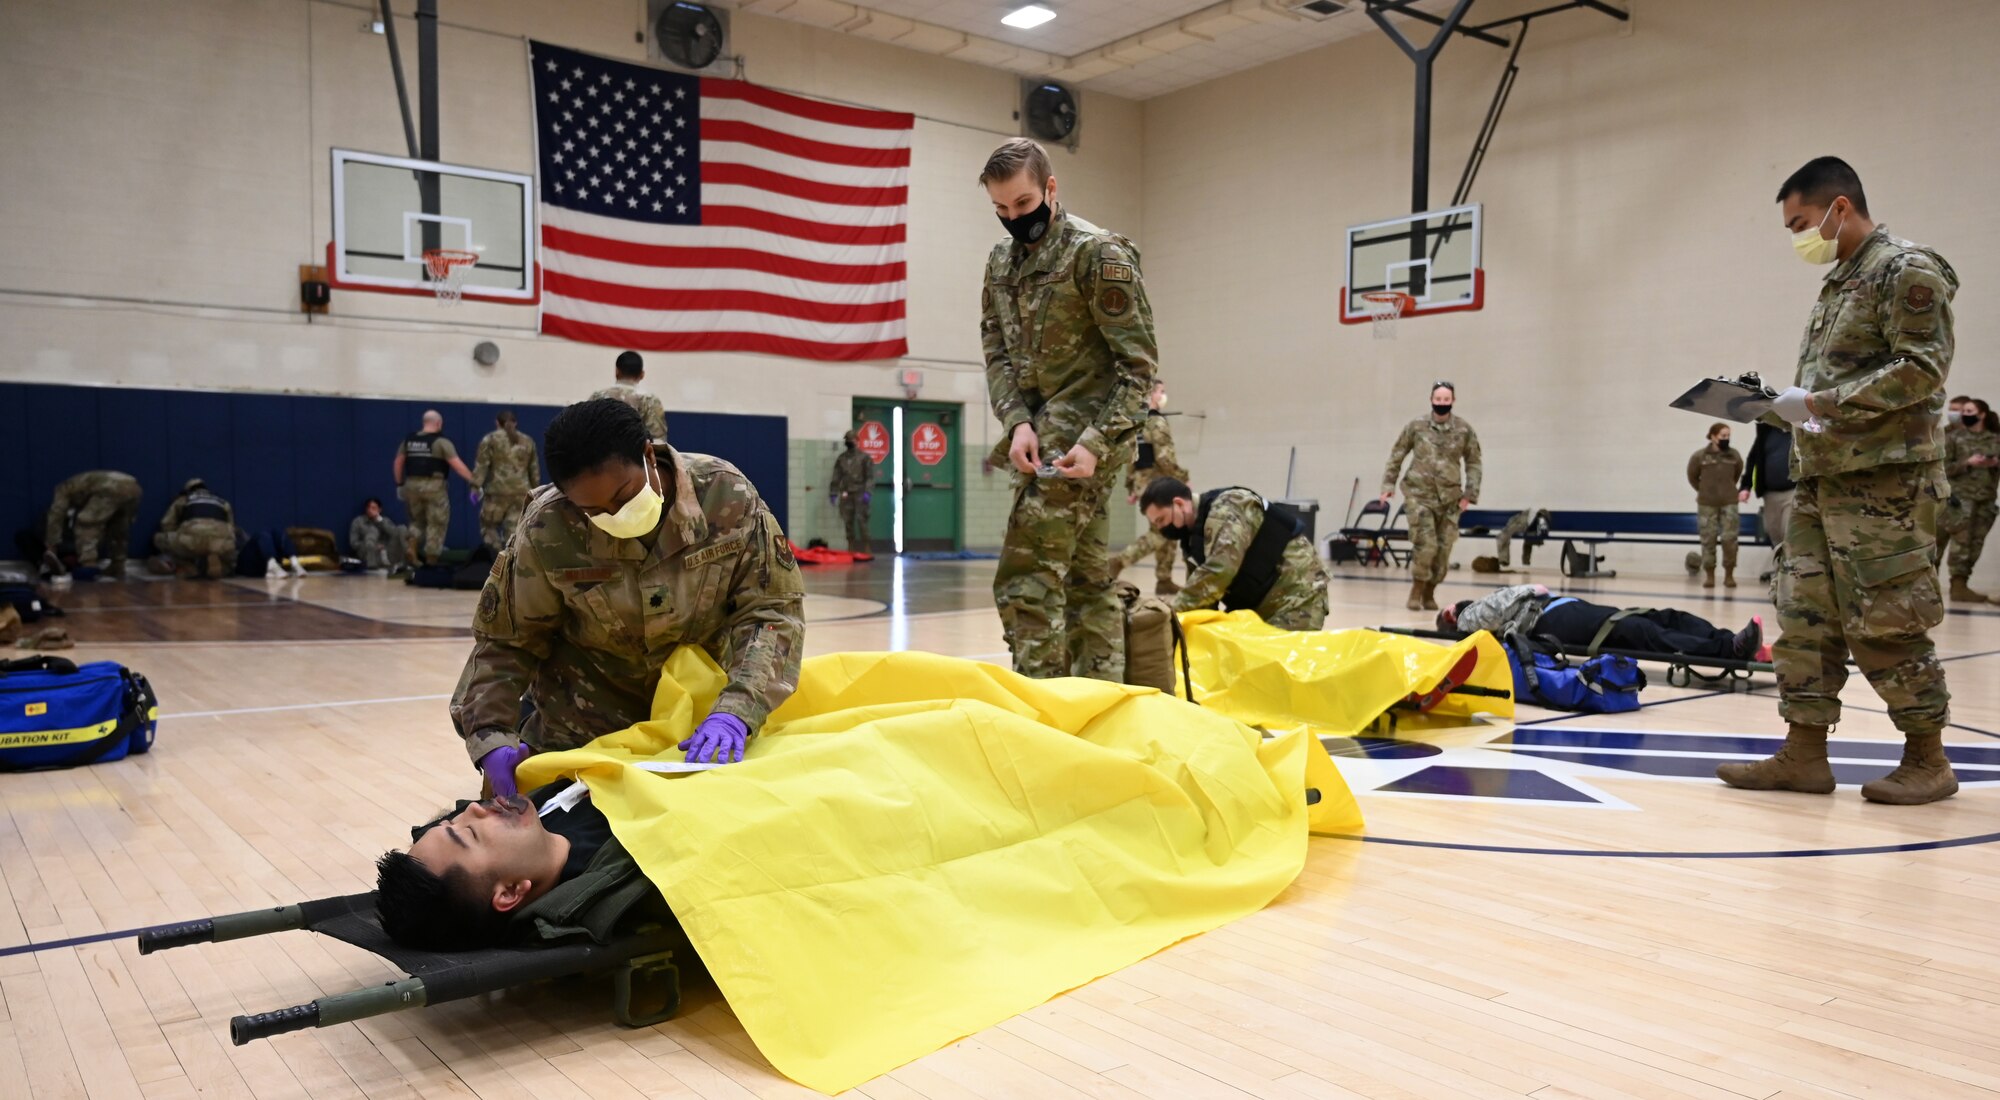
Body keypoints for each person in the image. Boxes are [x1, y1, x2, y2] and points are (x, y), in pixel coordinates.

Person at [1720, 156, 1958, 805]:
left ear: (1839, 208)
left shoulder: (1905, 268)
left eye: (1801, 222)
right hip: (1822, 480)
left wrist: (1824, 404)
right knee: (1804, 615)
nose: (1799, 236)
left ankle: (1927, 758)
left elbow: (1922, 368)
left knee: (1888, 621)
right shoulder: (1841, 283)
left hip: (1886, 487)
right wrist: (1784, 406)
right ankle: (1803, 754)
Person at [450, 398, 805, 793]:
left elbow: (770, 610)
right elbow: (506, 641)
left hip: (699, 731)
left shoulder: (726, 496)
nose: (615, 515)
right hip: (581, 735)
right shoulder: (549, 528)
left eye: (624, 495)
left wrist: (737, 710)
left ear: (648, 455)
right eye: (594, 510)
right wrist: (490, 735)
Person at [980, 137, 1156, 681]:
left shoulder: (1096, 254)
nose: (1014, 219)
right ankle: (1101, 701)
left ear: (1051, 188)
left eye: (1024, 204)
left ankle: (1046, 713)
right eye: (1001, 210)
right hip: (1039, 433)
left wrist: (1095, 445)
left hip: (1083, 433)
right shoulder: (1000, 263)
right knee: (1085, 579)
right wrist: (1016, 423)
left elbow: (1139, 369)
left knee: (1026, 580)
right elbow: (997, 350)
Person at [375, 786, 659, 950]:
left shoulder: (539, 821)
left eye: (452, 821)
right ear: (510, 891)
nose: (474, 808)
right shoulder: (636, 864)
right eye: (470, 834)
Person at [1139, 477, 1328, 631]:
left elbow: (1221, 569)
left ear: (1179, 504)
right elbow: (1202, 597)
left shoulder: (1228, 506)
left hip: (1296, 595)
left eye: (1161, 520)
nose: (1161, 528)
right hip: (1259, 602)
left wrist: (1170, 612)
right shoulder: (1192, 540)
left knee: (1279, 667)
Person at [1441, 584, 1764, 661]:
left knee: (1660, 617)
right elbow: (1492, 614)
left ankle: (1732, 639)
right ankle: (1729, 649)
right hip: (1554, 622)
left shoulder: (1483, 602)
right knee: (1640, 631)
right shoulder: (1468, 618)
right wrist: (1529, 589)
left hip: (1568, 610)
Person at [1380, 382, 1482, 612]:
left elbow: (1474, 462)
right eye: (1438, 399)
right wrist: (1388, 484)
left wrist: (1470, 494)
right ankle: (1416, 590)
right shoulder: (1416, 426)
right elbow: (1397, 455)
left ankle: (1430, 591)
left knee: (1443, 551)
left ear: (1453, 401)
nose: (1442, 404)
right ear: (1431, 399)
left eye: (1447, 400)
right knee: (1426, 545)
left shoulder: (1464, 430)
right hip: (1419, 495)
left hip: (1450, 499)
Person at [1108, 381, 1188, 597]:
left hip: (1143, 483)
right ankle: (1119, 561)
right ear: (1151, 395)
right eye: (1161, 391)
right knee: (1163, 532)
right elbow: (1165, 458)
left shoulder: (1136, 423)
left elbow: (1131, 459)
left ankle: (1164, 580)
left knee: (1168, 532)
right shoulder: (1157, 422)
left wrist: (1132, 487)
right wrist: (1182, 480)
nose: (1164, 395)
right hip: (1160, 483)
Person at [393, 409, 476, 567]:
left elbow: (398, 462)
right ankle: (432, 561)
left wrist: (399, 484)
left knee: (417, 521)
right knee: (436, 523)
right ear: (439, 423)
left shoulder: (409, 441)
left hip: (411, 486)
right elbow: (457, 466)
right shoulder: (441, 442)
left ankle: (412, 544)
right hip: (434, 487)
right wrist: (474, 481)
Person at [1942, 396, 1997, 603]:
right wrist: (1968, 462)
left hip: (1986, 498)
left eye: (1969, 411)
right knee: (1961, 543)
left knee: (1976, 543)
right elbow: (1944, 469)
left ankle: (1963, 582)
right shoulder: (1954, 437)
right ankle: (1957, 586)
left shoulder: (1994, 439)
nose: (1964, 415)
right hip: (1960, 499)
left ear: (1981, 414)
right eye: (1962, 411)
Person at [43, 470, 143, 579]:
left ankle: (88, 566)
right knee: (119, 528)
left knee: (85, 524)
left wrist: (51, 545)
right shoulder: (80, 483)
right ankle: (117, 566)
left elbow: (56, 514)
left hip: (109, 488)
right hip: (134, 487)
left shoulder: (62, 489)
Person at [1687, 422, 1745, 588]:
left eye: (1728, 436)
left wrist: (1727, 489)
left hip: (1729, 503)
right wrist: (1704, 490)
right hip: (1707, 504)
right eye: (1723, 436)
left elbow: (1737, 474)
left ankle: (1729, 575)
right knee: (1708, 539)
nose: (1726, 439)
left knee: (1730, 540)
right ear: (1713, 436)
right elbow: (1692, 476)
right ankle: (1710, 575)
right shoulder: (1700, 456)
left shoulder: (1734, 455)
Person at [473, 411, 540, 553]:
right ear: (515, 423)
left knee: (488, 525)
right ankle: (511, 560)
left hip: (496, 492)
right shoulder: (528, 441)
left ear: (497, 423)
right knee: (514, 530)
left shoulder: (490, 439)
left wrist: (475, 487)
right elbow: (534, 470)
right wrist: (535, 492)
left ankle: (497, 555)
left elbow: (481, 466)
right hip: (521, 492)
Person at [1738, 420, 1796, 584]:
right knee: (1775, 535)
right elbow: (1753, 459)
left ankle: (1790, 579)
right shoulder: (1766, 433)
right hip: (1770, 494)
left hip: (1792, 492)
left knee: (1788, 533)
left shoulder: (1797, 431)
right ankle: (1780, 577)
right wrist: (1745, 486)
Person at [153, 478, 236, 579]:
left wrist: (178, 534)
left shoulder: (184, 500)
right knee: (228, 557)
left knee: (159, 539)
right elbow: (231, 528)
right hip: (219, 544)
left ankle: (187, 564)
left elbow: (166, 524)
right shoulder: (223, 502)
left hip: (192, 541)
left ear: (188, 490)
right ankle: (221, 567)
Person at [591, 350, 669, 444]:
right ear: (642, 374)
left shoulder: (598, 397)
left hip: (600, 455)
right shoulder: (650, 401)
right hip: (637, 456)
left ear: (617, 371)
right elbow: (658, 442)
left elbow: (586, 432)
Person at [827, 430, 875, 554]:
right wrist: (833, 492)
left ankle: (867, 548)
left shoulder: (864, 458)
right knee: (848, 522)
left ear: (857, 441)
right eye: (847, 440)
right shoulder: (841, 459)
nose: (849, 442)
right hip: (846, 494)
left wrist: (868, 492)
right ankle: (851, 548)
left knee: (862, 521)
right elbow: (836, 476)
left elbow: (870, 476)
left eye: (851, 440)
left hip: (860, 493)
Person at [349, 497, 407, 572]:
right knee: (373, 530)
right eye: (368, 507)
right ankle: (372, 567)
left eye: (373, 508)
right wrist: (373, 546)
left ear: (379, 510)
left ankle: (408, 559)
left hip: (388, 552)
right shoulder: (358, 522)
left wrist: (379, 520)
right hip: (370, 554)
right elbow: (354, 543)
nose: (370, 510)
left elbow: (394, 533)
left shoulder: (385, 520)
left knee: (401, 528)